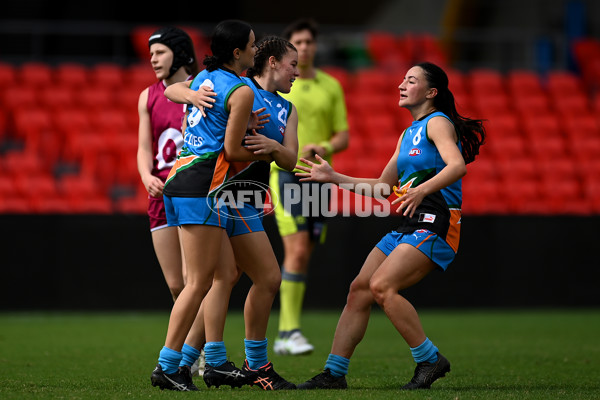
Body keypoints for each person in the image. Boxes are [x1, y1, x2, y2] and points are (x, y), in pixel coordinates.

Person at [294, 62, 486, 390]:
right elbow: (383, 187)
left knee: (382, 287)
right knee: (360, 290)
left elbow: (457, 167)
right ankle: (334, 373)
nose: (401, 84)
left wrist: (422, 189)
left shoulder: (438, 123)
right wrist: (333, 177)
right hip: (411, 223)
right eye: (403, 79)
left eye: (411, 81)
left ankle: (429, 359)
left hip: (437, 223)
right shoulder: (408, 132)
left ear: (431, 92)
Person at [164, 35, 300, 391]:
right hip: (218, 191)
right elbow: (175, 90)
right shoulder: (239, 85)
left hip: (242, 198)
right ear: (271, 62)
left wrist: (273, 146)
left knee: (242, 277)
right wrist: (191, 95)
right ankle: (229, 363)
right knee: (227, 278)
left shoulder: (288, 108)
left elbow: (291, 159)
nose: (297, 73)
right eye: (293, 64)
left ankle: (211, 361)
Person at [149, 19, 261, 392]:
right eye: (252, 44)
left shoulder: (204, 79)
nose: (255, 50)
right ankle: (168, 366)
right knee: (196, 283)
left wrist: (194, 96)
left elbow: (173, 90)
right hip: (204, 188)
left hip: (180, 182)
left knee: (224, 274)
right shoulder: (241, 90)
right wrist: (269, 151)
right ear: (237, 53)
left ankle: (213, 362)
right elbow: (231, 151)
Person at [271, 18, 349, 356]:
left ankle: (288, 332)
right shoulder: (280, 84)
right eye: (297, 43)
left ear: (315, 46)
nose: (304, 48)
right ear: (289, 48)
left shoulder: (331, 86)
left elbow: (342, 135)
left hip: (319, 176)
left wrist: (324, 147)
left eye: (308, 42)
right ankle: (287, 332)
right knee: (297, 251)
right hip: (285, 172)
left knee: (304, 254)